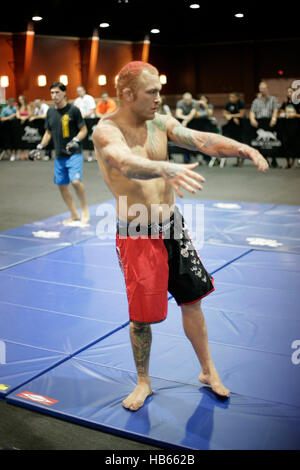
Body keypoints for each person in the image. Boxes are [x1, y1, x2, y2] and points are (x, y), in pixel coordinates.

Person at [92, 61, 269, 412]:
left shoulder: (160, 122)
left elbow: (200, 140)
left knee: (193, 301)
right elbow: (123, 162)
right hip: (137, 234)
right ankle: (144, 381)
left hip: (173, 226)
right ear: (127, 95)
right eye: (152, 92)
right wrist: (164, 167)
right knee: (142, 318)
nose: (160, 98)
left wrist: (241, 148)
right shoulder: (106, 130)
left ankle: (207, 370)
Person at [29, 82, 90, 225]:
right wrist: (39, 147)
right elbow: (48, 133)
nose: (54, 96)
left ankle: (85, 210)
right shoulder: (50, 112)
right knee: (62, 185)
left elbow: (84, 130)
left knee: (75, 181)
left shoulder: (73, 110)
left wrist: (75, 140)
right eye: (52, 93)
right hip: (59, 156)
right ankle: (74, 214)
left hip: (73, 153)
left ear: (64, 93)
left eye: (57, 92)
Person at [249, 81, 279, 167]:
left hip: (270, 123)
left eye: (264, 88)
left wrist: (273, 119)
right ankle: (264, 160)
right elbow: (252, 111)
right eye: (260, 89)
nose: (262, 90)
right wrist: (252, 119)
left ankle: (274, 159)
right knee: (262, 143)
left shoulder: (273, 99)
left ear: (267, 89)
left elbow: (275, 110)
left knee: (272, 142)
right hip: (260, 123)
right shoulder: (256, 101)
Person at [223, 92, 246, 167]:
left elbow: (242, 114)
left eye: (233, 97)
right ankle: (236, 159)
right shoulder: (228, 104)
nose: (231, 99)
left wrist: (231, 116)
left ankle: (241, 159)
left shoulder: (241, 103)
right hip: (231, 125)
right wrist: (228, 116)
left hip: (241, 125)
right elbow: (224, 113)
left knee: (240, 142)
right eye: (230, 97)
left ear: (237, 97)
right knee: (233, 142)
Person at [175, 92, 197, 163]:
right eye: (186, 100)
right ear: (183, 100)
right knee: (184, 140)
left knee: (193, 140)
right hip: (182, 123)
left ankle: (195, 155)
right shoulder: (180, 103)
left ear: (191, 99)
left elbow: (193, 113)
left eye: (189, 100)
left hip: (194, 123)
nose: (188, 101)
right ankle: (186, 158)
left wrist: (186, 121)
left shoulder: (194, 102)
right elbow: (178, 114)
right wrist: (185, 119)